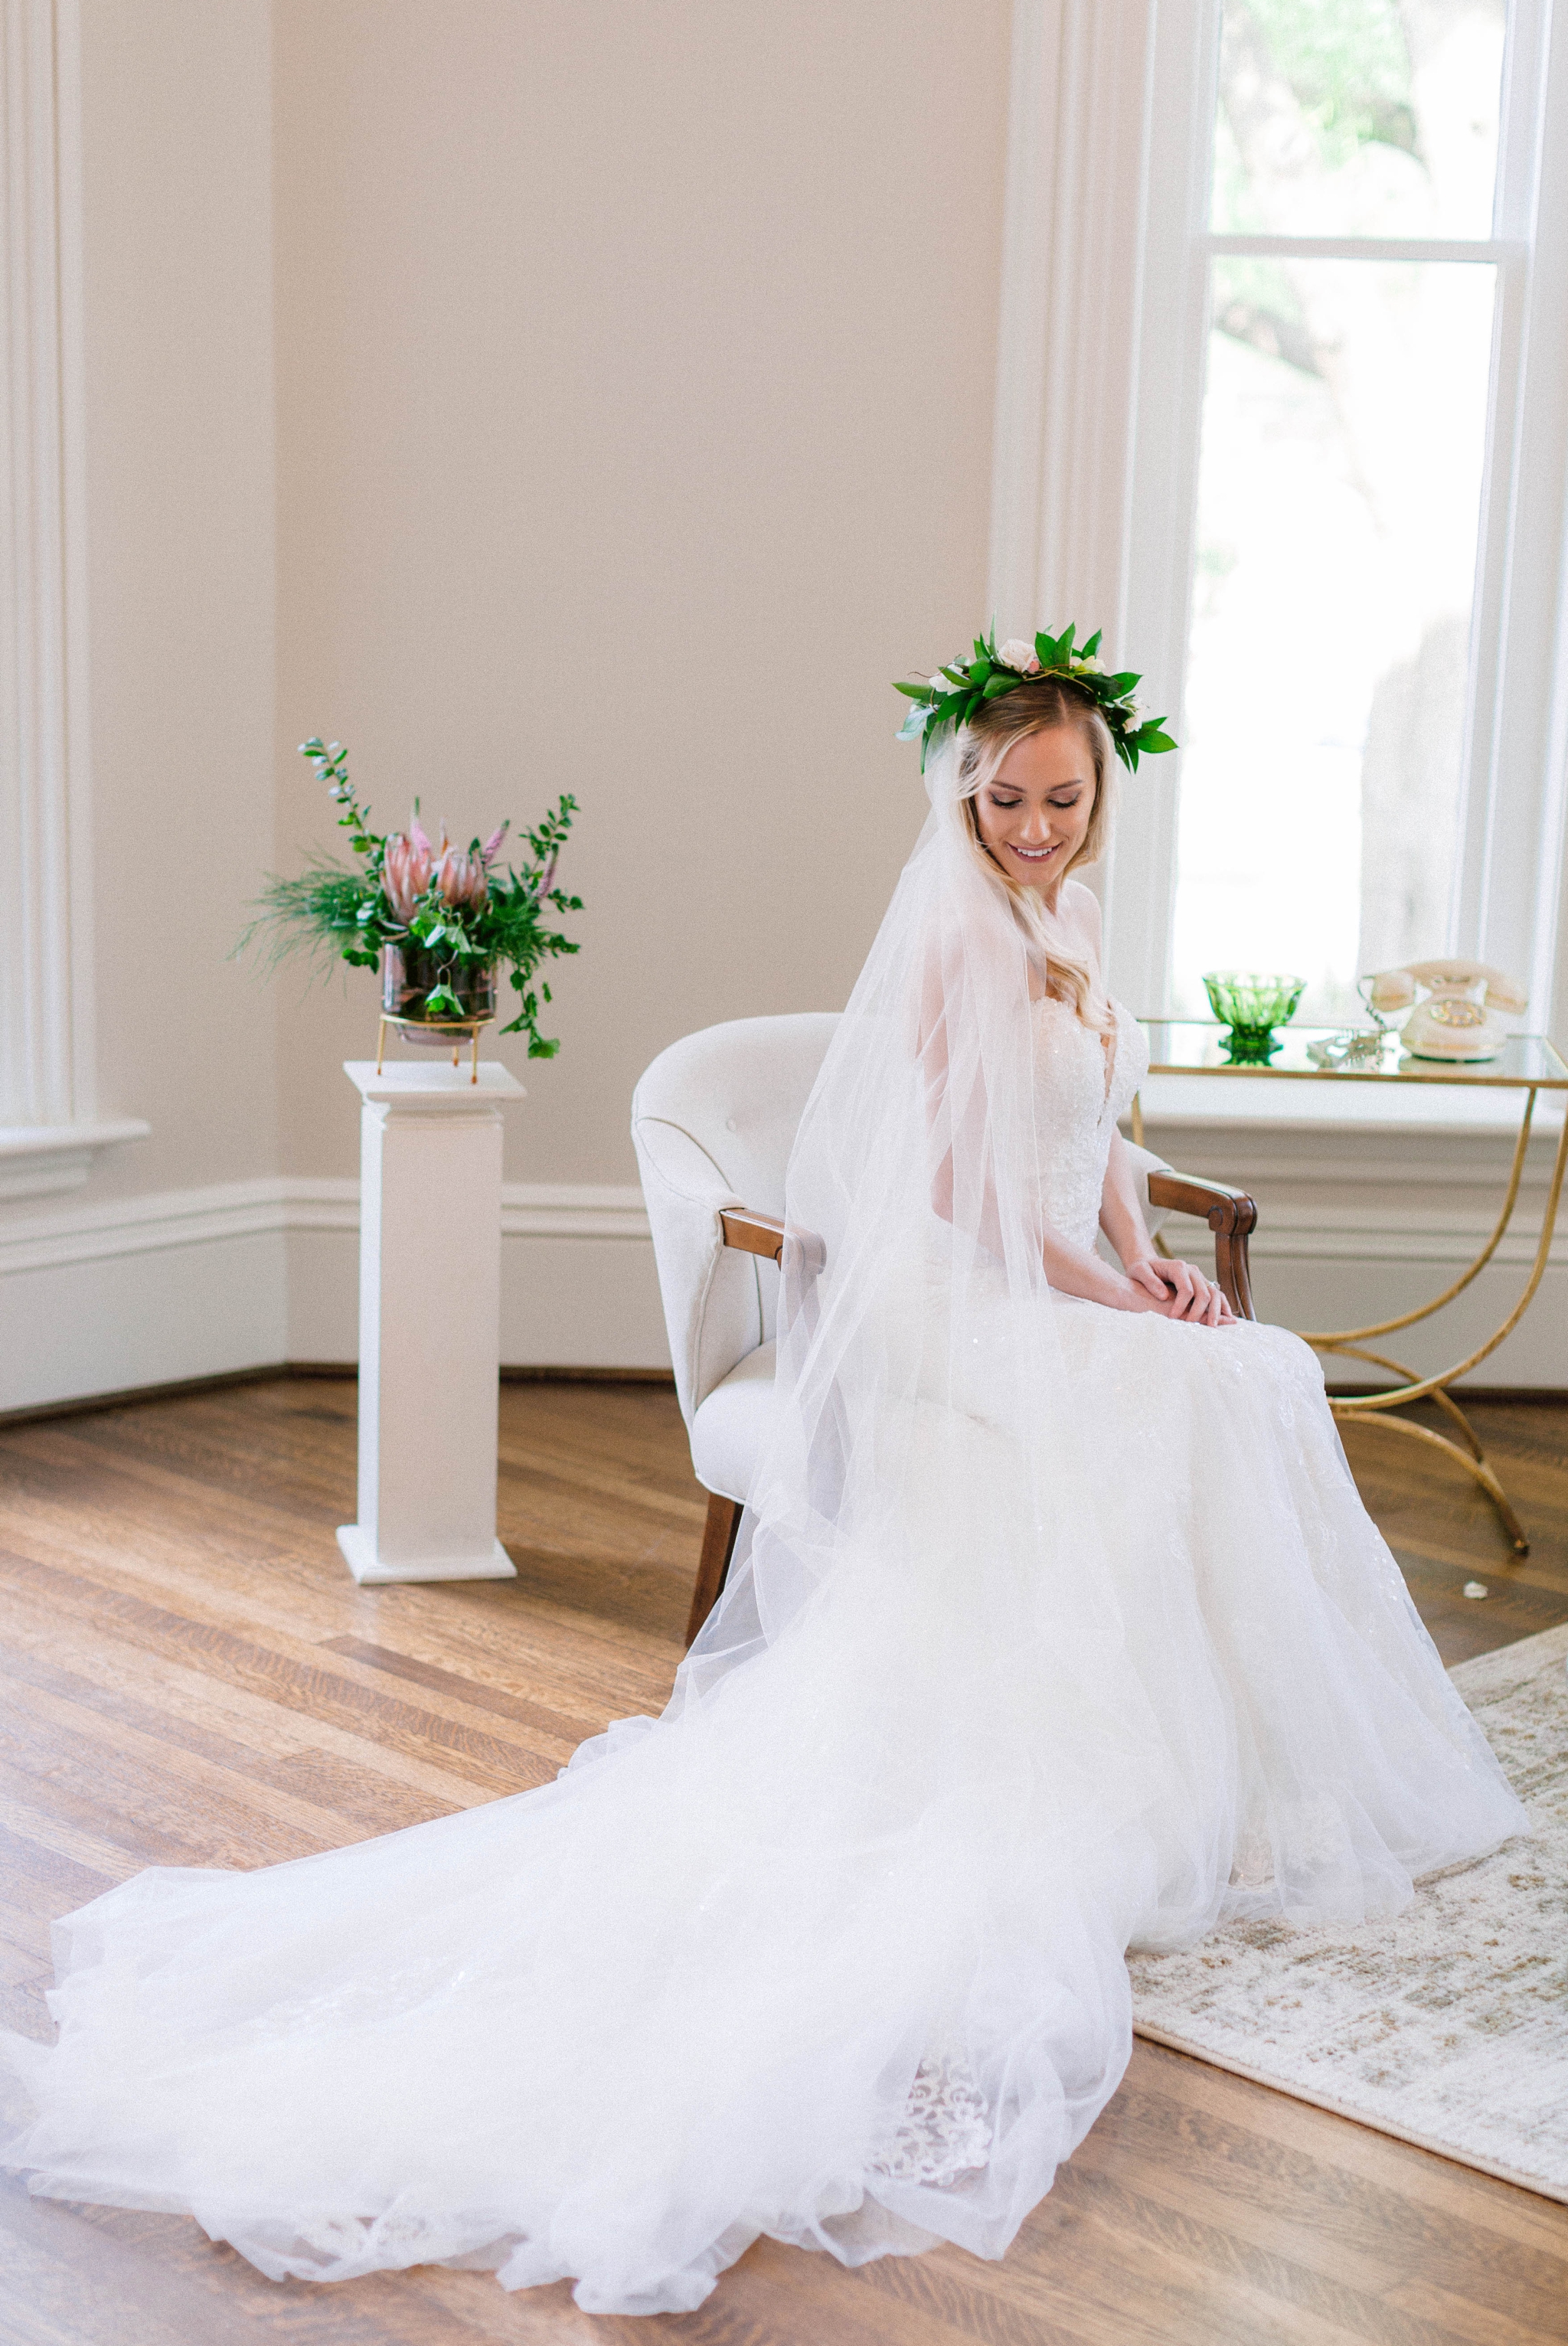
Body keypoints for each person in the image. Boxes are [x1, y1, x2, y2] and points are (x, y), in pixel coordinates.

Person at [0, 632, 1524, 2317]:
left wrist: (1148, 1259)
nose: (1030, 822)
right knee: (1203, 1387)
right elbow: (956, 1191)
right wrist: (1113, 1296)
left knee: (1243, 1367)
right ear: (962, 791)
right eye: (1003, 794)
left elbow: (1087, 1141)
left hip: (1056, 1259)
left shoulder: (1074, 921)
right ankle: (1097, 1763)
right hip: (965, 1289)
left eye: (1060, 796)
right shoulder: (954, 941)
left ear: (1101, 797)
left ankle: (1204, 1768)